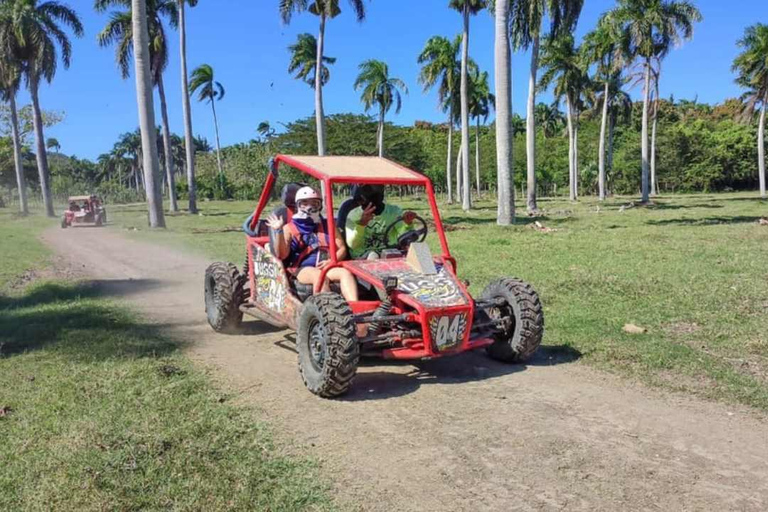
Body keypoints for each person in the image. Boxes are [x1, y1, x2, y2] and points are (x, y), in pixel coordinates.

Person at [267, 186, 359, 302]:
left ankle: (355, 309)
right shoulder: (289, 228)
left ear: (320, 205)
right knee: (318, 276)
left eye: (314, 203)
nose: (310, 207)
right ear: (298, 205)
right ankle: (327, 310)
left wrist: (331, 261)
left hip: (327, 266)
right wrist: (279, 231)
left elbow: (342, 249)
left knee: (345, 273)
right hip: (302, 268)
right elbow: (282, 255)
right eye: (305, 203)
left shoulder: (328, 225)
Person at [344, 185, 417, 259]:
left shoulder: (394, 212)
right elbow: (352, 244)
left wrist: (408, 223)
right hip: (362, 256)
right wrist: (361, 224)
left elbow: (405, 237)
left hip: (389, 254)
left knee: (418, 252)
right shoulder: (354, 215)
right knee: (373, 256)